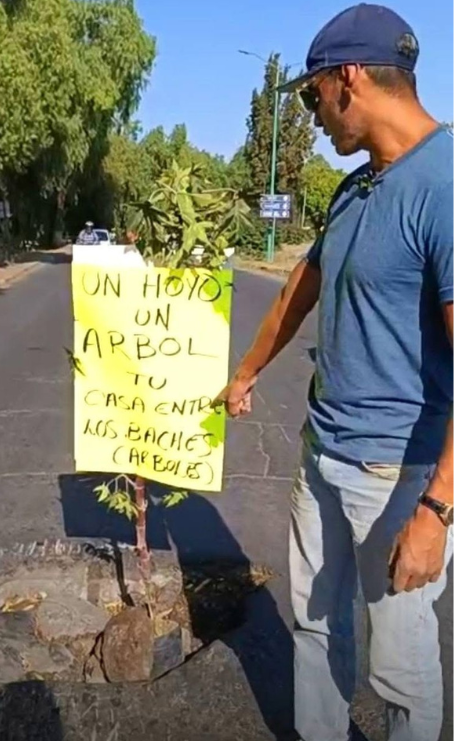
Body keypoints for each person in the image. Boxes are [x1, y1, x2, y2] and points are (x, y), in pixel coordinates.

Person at [217, 5, 451, 741]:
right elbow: (297, 290)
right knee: (315, 632)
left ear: (347, 77)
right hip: (324, 455)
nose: (313, 115)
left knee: (399, 666)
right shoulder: (353, 190)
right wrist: (245, 371)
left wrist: (437, 509)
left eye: (312, 94)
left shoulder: (443, 185)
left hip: (398, 475)